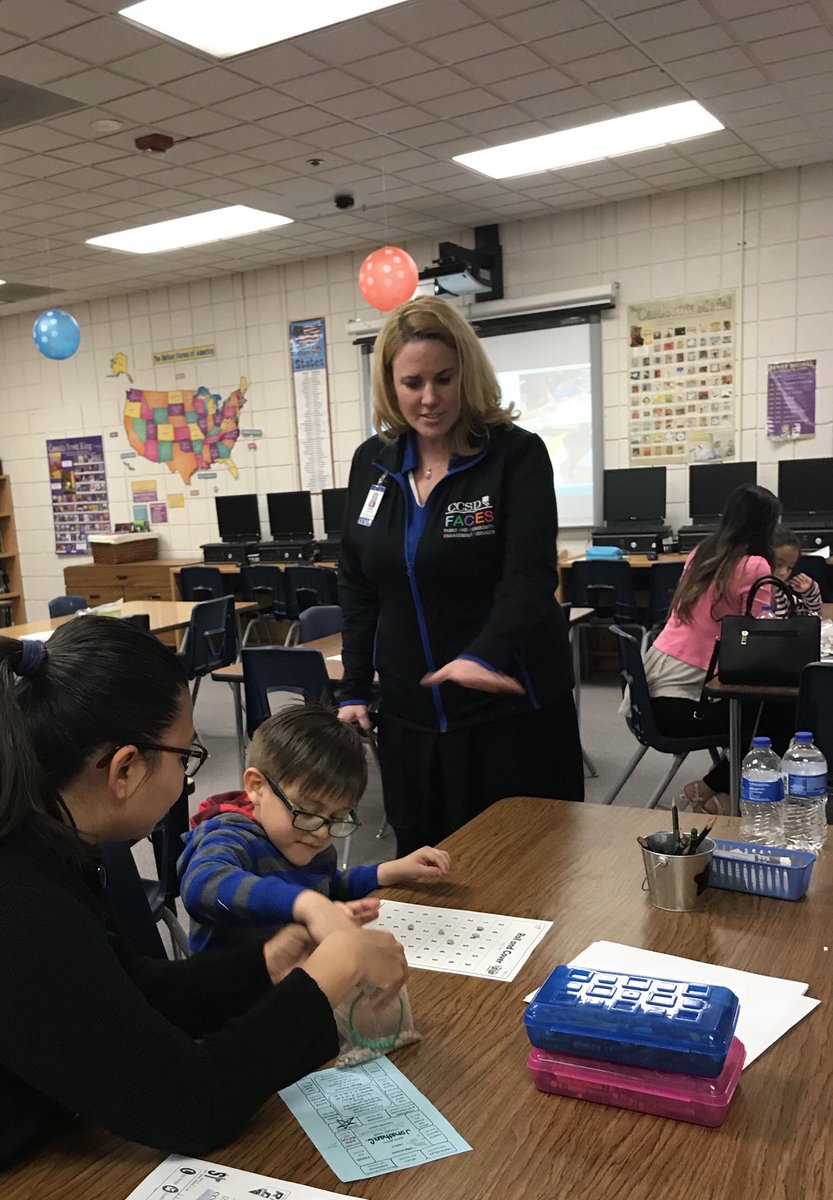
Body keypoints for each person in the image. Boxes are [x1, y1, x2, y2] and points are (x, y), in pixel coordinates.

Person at [0, 618, 406, 1165]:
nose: (189, 778)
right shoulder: (22, 904)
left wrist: (271, 964)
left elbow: (135, 989)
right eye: (185, 756)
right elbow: (192, 1101)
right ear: (125, 769)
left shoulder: (48, 845)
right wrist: (324, 980)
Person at [338, 295, 582, 855]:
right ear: (390, 385)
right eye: (412, 382)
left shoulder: (515, 456)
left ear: (466, 373)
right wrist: (354, 686)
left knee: (528, 871)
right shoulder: (370, 464)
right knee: (428, 875)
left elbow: (529, 575)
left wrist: (482, 654)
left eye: (444, 378)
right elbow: (357, 582)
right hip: (411, 720)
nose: (429, 398)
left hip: (510, 715)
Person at [179, 702, 452, 953]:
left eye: (338, 817)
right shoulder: (229, 836)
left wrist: (390, 870)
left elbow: (328, 884)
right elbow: (202, 885)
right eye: (308, 812)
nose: (322, 832)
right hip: (233, 996)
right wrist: (305, 904)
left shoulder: (309, 839)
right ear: (257, 787)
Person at [644, 483, 793, 813]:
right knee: (782, 713)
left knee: (764, 710)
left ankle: (711, 787)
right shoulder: (754, 565)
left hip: (652, 697)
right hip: (683, 705)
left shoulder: (702, 552)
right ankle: (723, 797)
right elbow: (758, 638)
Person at [772, 525, 822, 617]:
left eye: (790, 567)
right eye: (778, 564)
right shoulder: (748, 593)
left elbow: (811, 617)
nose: (783, 573)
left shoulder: (782, 596)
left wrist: (810, 591)